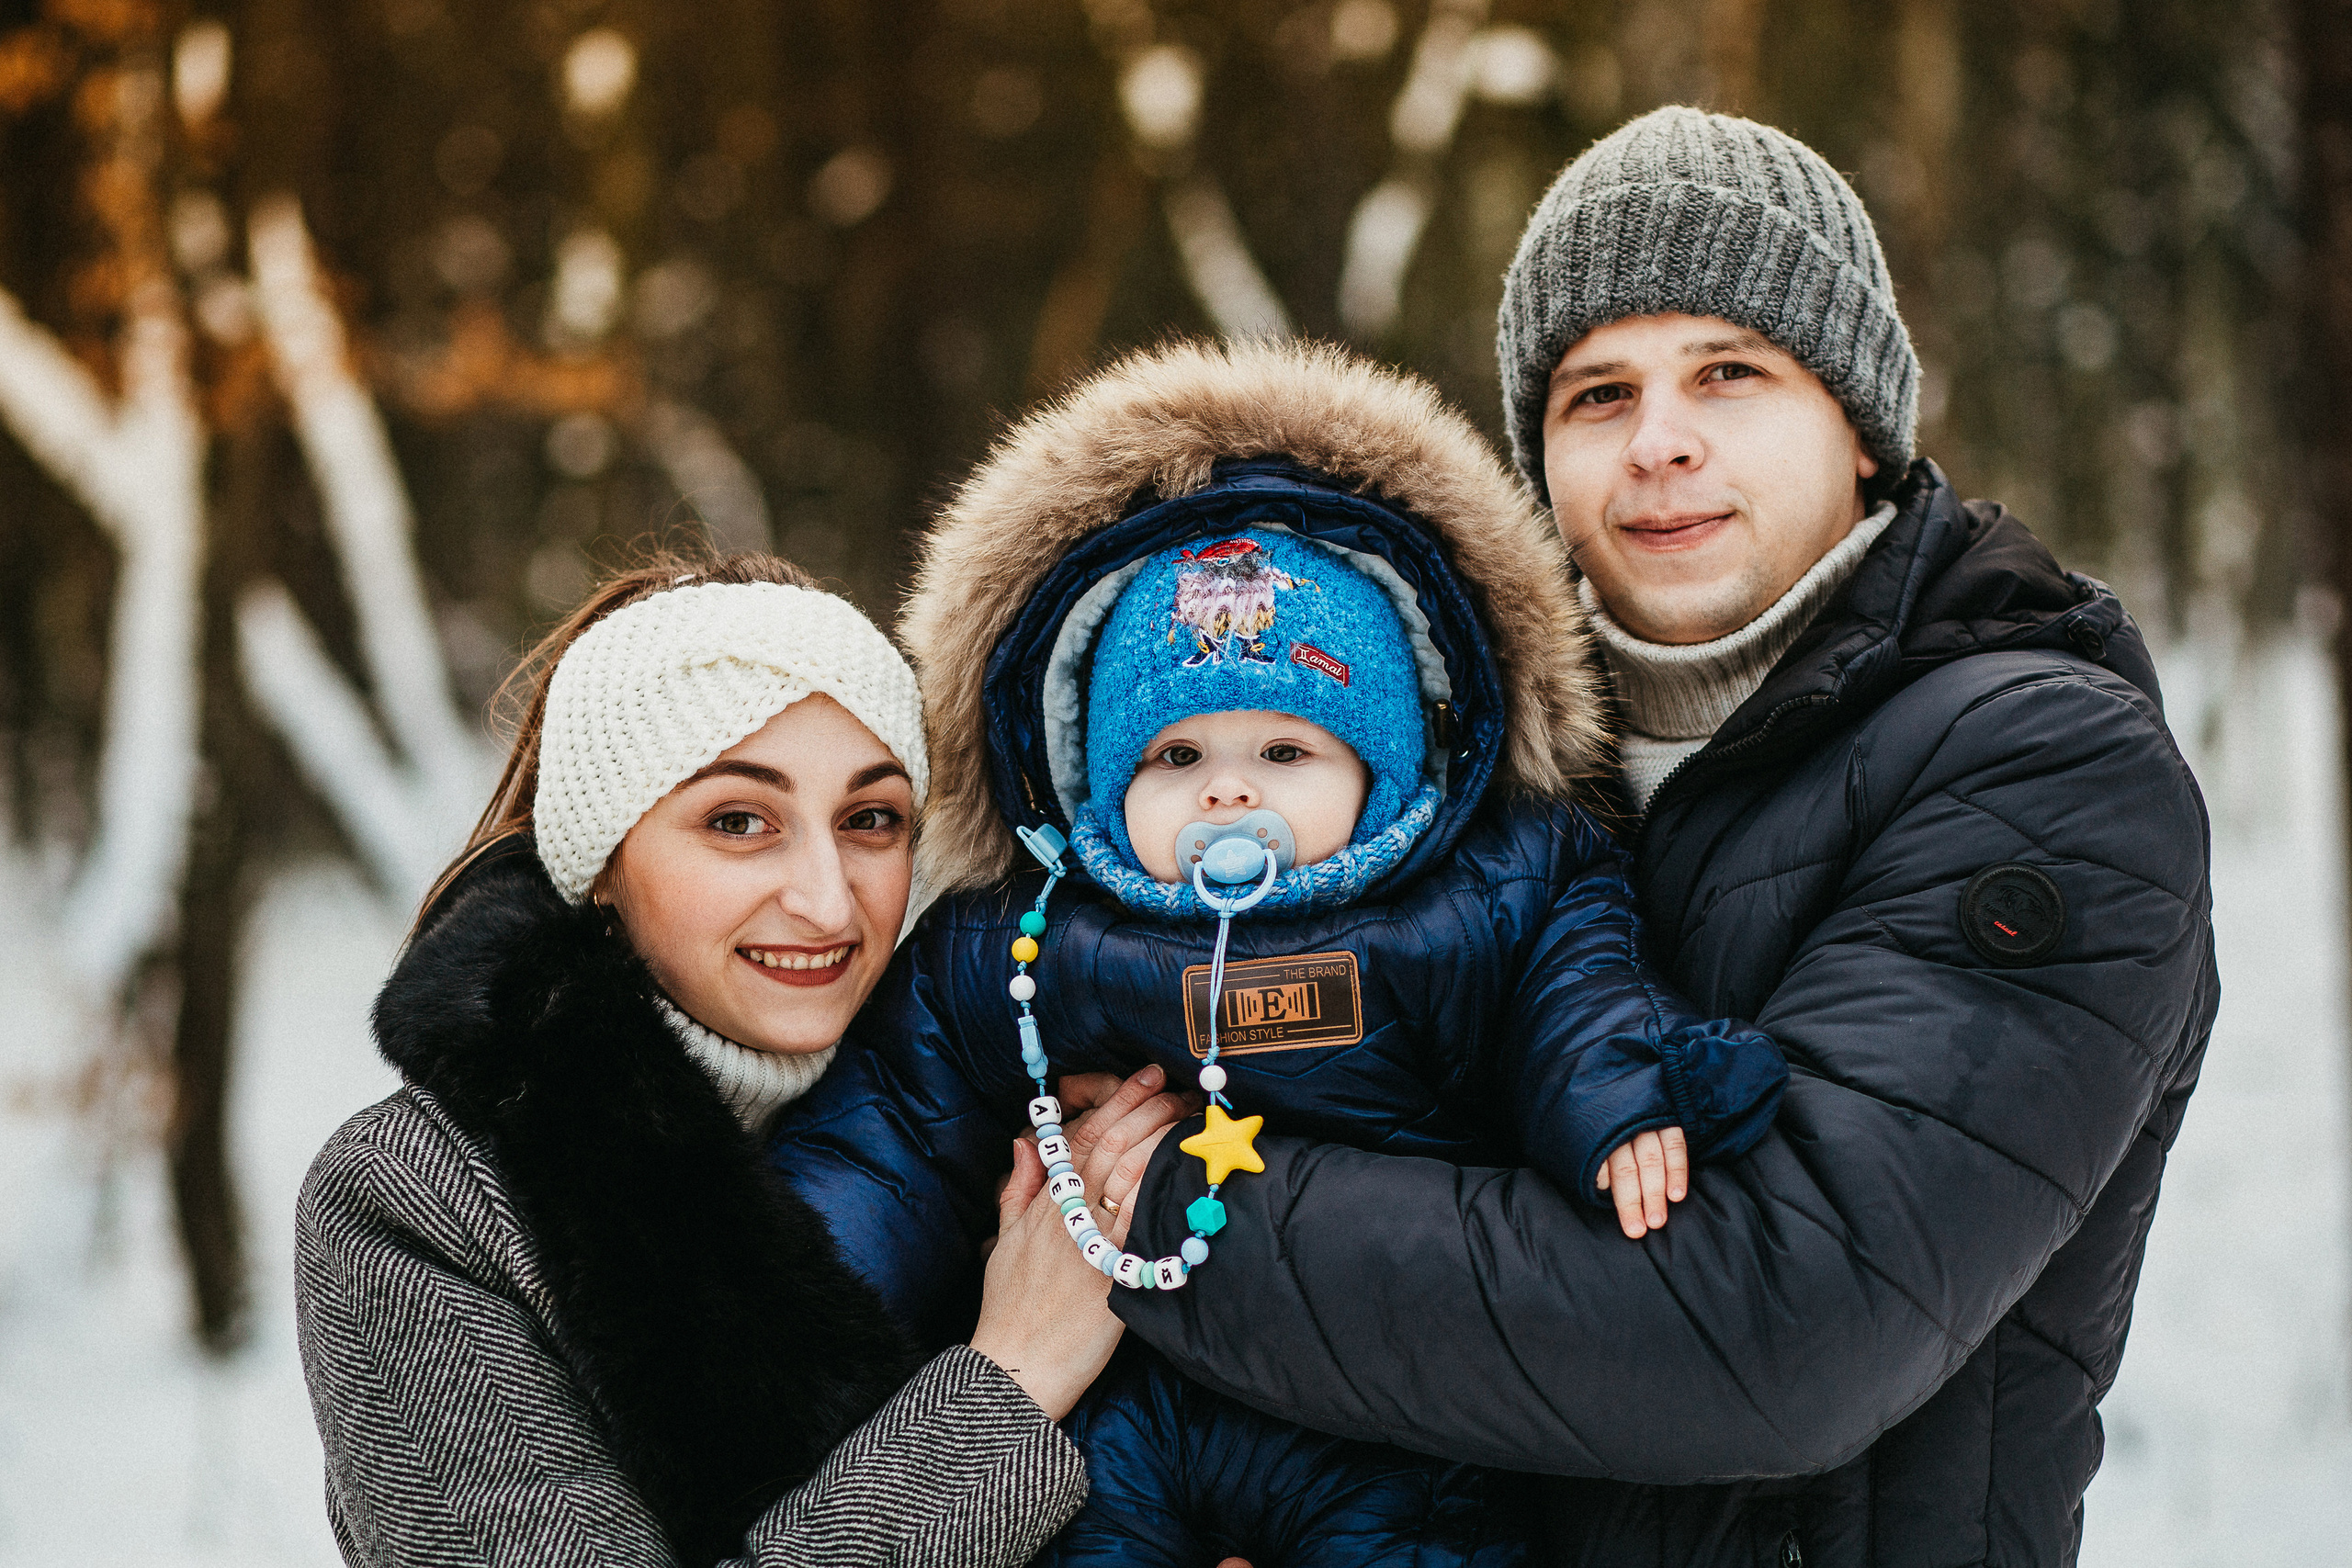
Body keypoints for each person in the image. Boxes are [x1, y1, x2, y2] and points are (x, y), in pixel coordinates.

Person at [1111, 107, 2219, 1564]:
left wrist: (1158, 1209)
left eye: (1729, 372)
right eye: (1597, 393)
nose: (1659, 442)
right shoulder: (1444, 769)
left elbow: (1777, 1328)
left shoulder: (2044, 764)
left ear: (1861, 426)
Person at [765, 339, 1787, 1565]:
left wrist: (1623, 1096)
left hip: (1385, 1413)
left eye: (1285, 753)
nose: (1226, 792)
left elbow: (1576, 989)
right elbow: (895, 1127)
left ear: (1385, 772)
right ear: (1095, 782)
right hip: (1112, 1415)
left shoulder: (1480, 896)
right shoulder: (1027, 937)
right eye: (1176, 757)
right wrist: (787, 1301)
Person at [293, 552, 1193, 1567]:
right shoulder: (421, 1197)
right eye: (738, 821)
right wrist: (1012, 1380)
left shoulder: (1008, 1117)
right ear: (600, 859)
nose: (826, 898)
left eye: (869, 820)